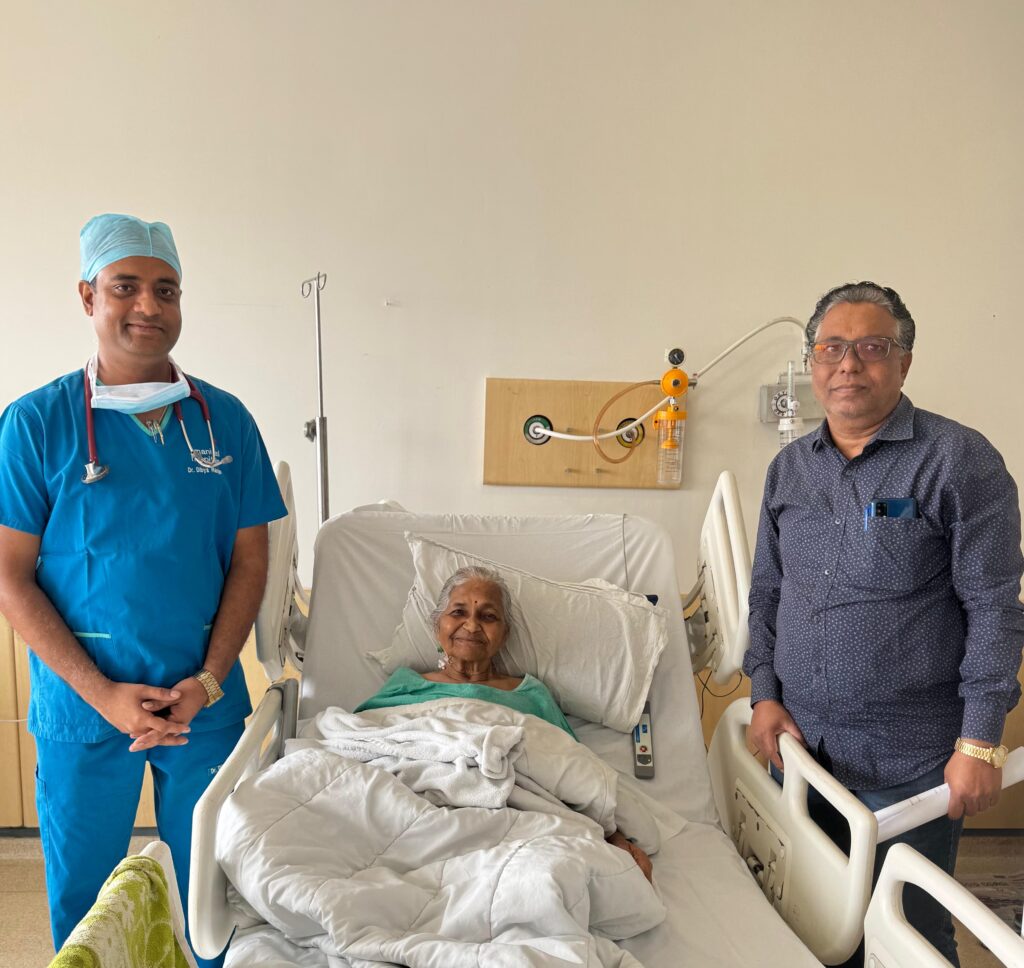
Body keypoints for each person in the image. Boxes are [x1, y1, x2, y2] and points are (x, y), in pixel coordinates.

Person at [0, 214, 287, 966]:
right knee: (85, 900)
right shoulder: (36, 424)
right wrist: (102, 694)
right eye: (125, 287)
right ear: (87, 296)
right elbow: (9, 575)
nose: (148, 306)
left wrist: (209, 681)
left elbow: (249, 563)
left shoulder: (225, 422)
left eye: (166, 289)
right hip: (84, 707)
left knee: (212, 896)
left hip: (203, 702)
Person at [744, 281, 1024, 966]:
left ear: (904, 362)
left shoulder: (958, 461)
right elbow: (767, 591)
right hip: (803, 752)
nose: (848, 364)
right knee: (809, 924)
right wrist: (762, 695)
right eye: (831, 348)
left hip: (910, 760)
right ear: (812, 364)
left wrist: (980, 743)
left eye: (871, 347)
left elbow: (994, 607)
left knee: (908, 936)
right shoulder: (788, 471)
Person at [356, 565, 653, 880]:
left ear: (505, 634)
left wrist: (614, 838)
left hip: (511, 821)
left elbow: (572, 772)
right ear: (437, 625)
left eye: (488, 616)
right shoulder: (406, 685)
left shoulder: (531, 695)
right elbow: (359, 745)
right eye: (458, 612)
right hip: (413, 816)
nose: (472, 625)